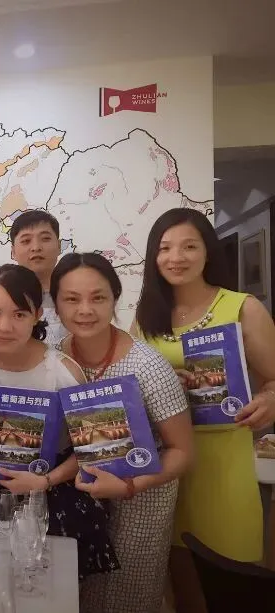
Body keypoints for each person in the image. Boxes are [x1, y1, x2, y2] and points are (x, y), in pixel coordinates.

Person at [133, 208, 275, 612]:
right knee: (181, 591)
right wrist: (162, 386)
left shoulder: (242, 308)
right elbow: (129, 388)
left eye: (189, 247)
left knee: (226, 590)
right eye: (165, 248)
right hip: (164, 471)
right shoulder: (146, 317)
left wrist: (268, 400)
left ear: (207, 252)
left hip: (222, 467)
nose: (176, 257)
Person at [52, 252, 194, 613]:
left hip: (140, 501)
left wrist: (130, 486)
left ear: (115, 298)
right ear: (56, 304)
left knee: (124, 599)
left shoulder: (148, 366)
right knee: (73, 596)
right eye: (72, 299)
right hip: (78, 498)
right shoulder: (54, 360)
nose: (85, 310)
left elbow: (182, 451)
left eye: (98, 297)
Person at [0, 264, 117, 579]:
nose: (4, 326)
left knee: (43, 588)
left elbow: (93, 449)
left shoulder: (63, 371)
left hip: (48, 498)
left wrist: (46, 481)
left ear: (38, 314)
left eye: (19, 314)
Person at [9, 209, 67, 346]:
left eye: (45, 239)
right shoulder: (3, 296)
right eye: (26, 241)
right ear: (13, 252)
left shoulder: (75, 293)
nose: (36, 247)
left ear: (59, 246)